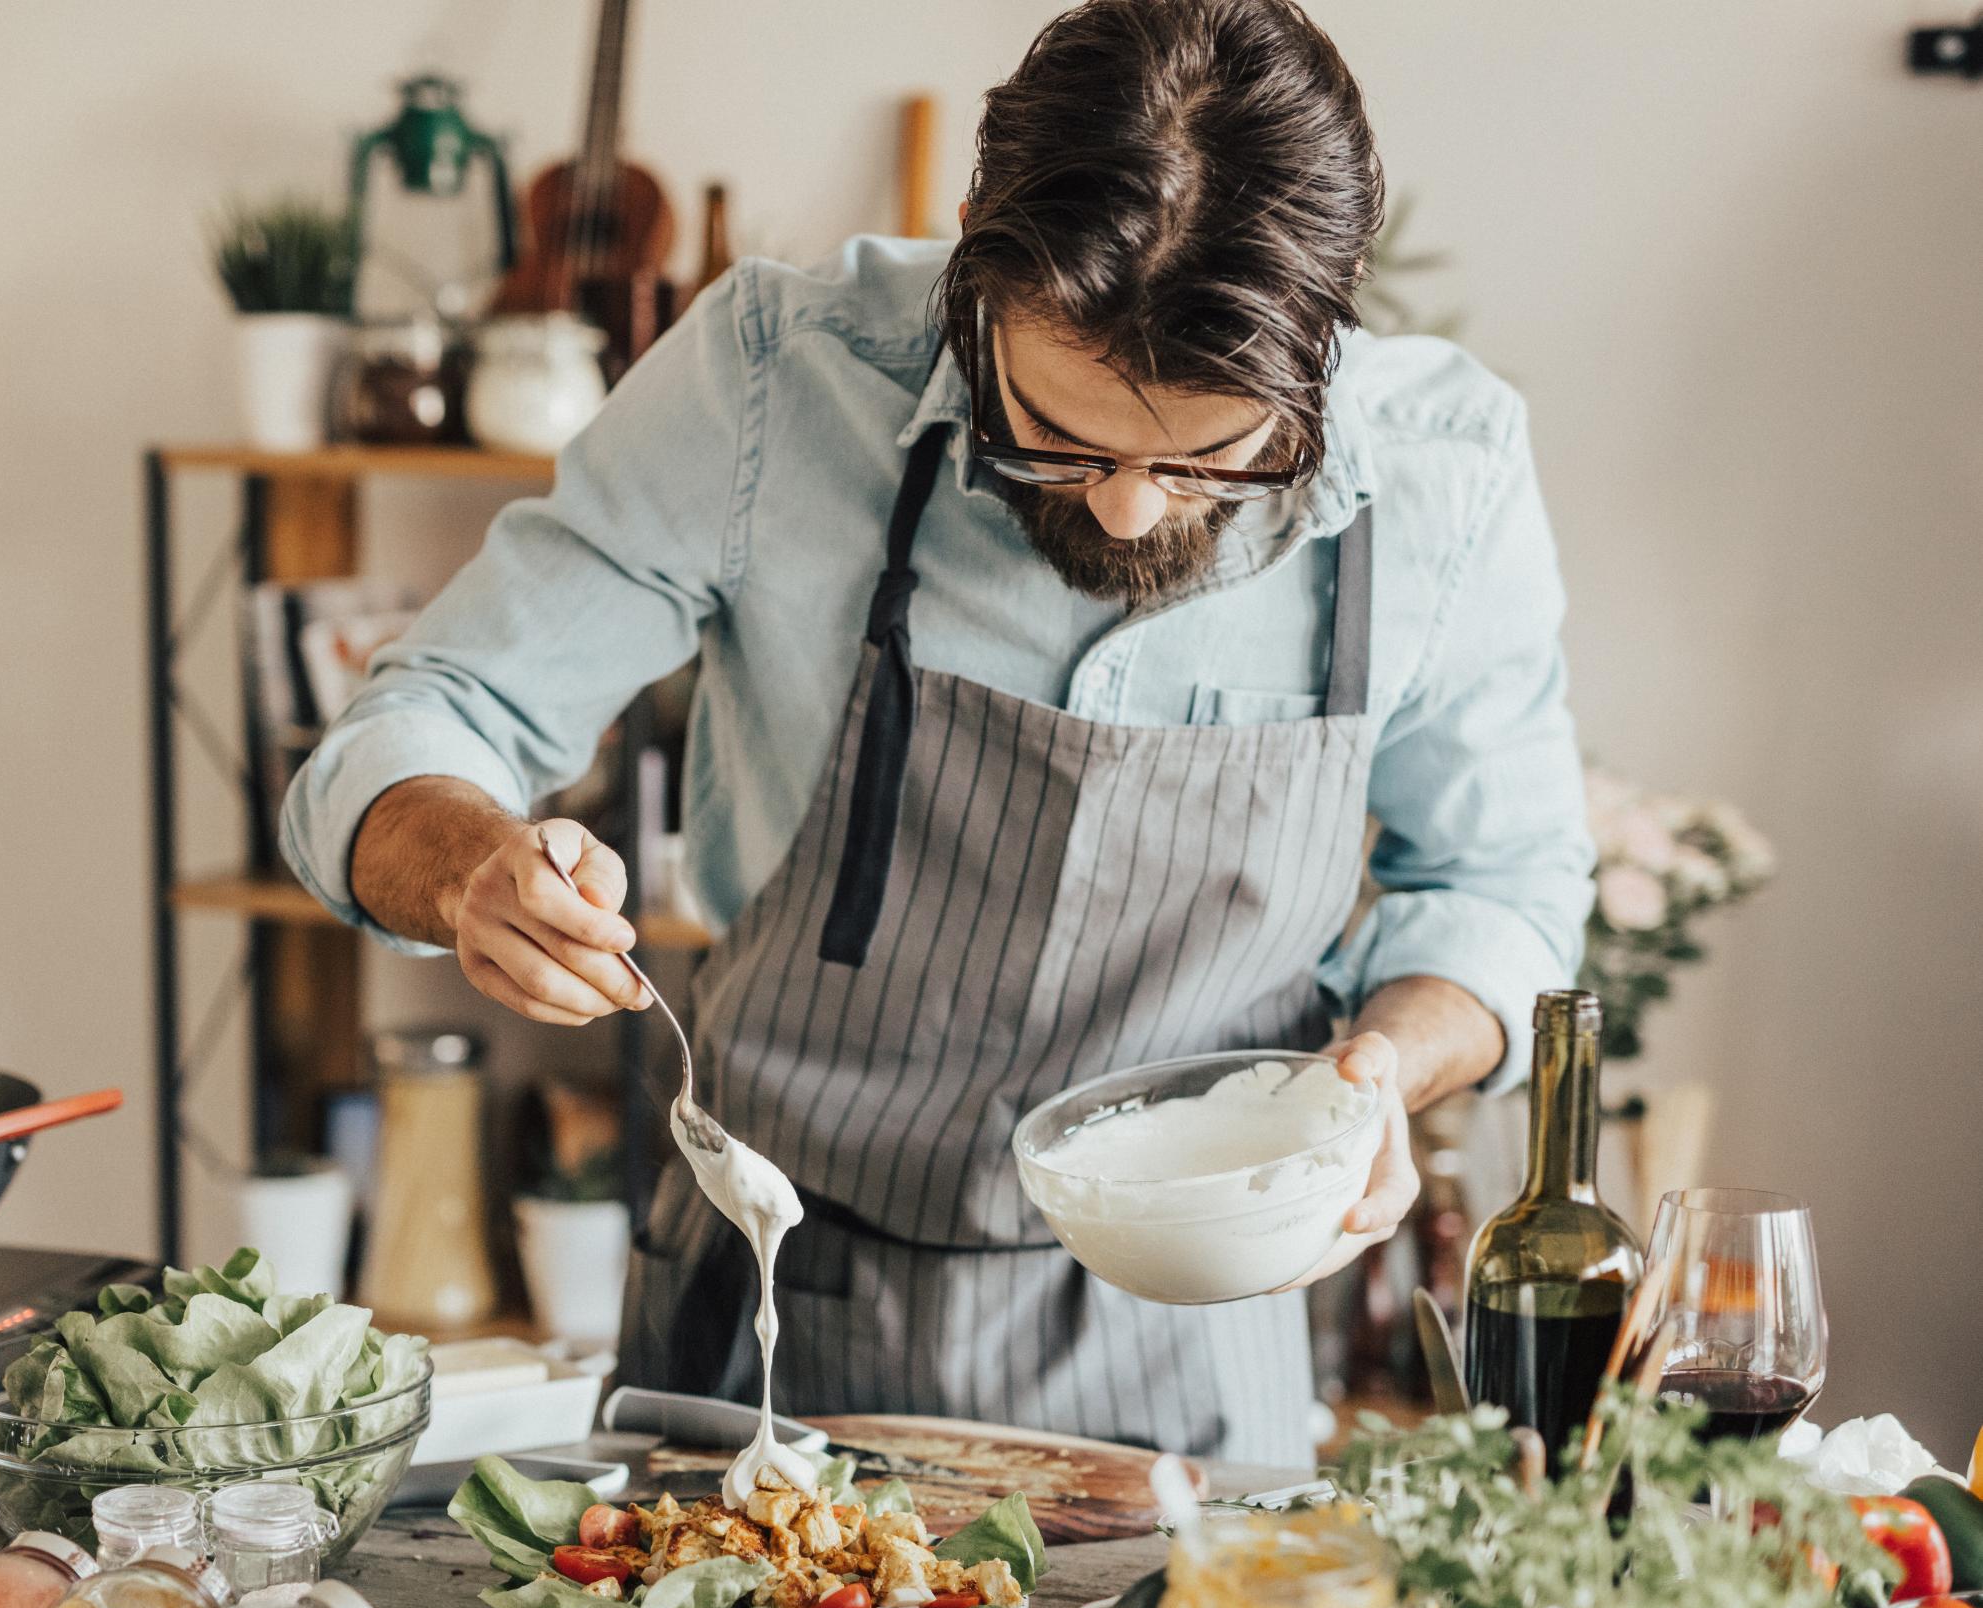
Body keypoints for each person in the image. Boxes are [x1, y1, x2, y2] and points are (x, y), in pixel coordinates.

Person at [285, 0, 1592, 1463]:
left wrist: (1384, 1070)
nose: (1127, 508)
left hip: (1193, 1328)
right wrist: (468, 865)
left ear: (1330, 326)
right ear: (972, 248)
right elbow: (420, 721)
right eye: (1057, 434)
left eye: (1213, 460)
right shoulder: (778, 381)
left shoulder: (1443, 480)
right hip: (785, 1296)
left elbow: (1504, 886)